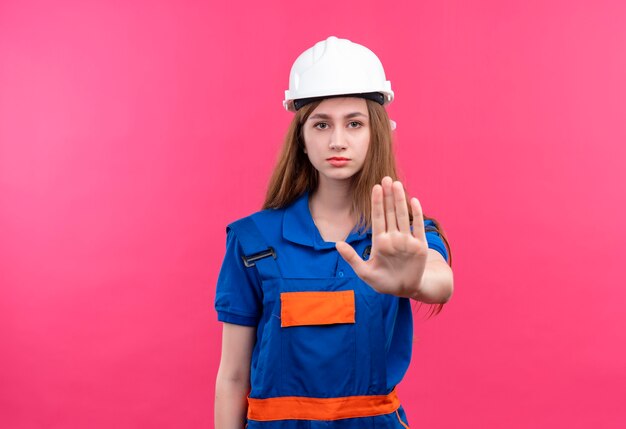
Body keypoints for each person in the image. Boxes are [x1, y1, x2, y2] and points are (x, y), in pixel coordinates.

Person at [214, 36, 454, 429]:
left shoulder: (403, 234)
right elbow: (233, 376)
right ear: (302, 140)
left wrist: (413, 282)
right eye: (321, 124)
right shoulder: (253, 240)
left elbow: (439, 279)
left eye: (354, 124)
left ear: (376, 132)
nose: (337, 141)